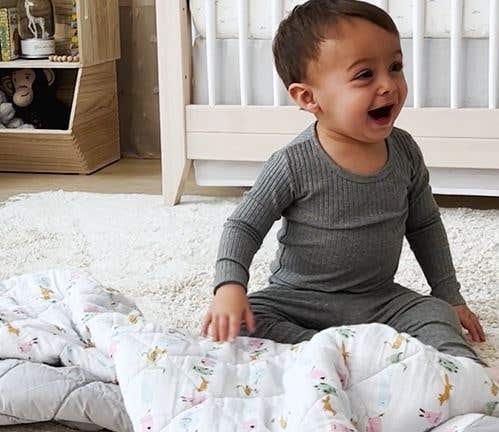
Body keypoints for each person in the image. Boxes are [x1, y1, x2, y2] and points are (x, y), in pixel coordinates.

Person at [200, 0, 498, 383]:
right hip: (299, 300)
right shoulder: (292, 163)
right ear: (308, 98)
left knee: (436, 314)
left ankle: (470, 380)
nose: (388, 85)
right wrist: (229, 287)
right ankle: (341, 355)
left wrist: (450, 295)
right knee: (245, 321)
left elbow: (425, 226)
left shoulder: (405, 151)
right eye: (365, 75)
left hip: (379, 299)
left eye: (395, 67)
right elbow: (243, 226)